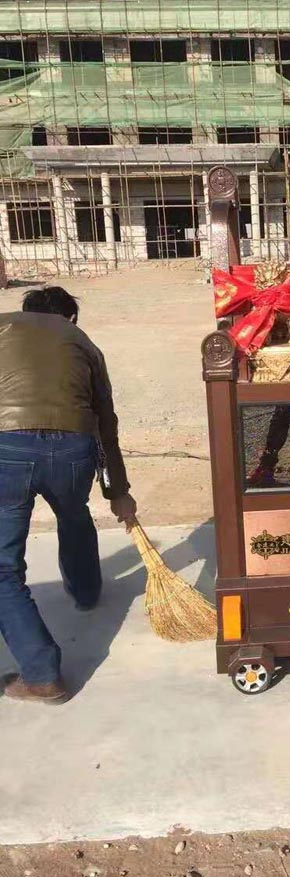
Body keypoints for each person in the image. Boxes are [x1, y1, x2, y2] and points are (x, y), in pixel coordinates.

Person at [0, 287, 137, 704]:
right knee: (74, 514)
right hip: (74, 451)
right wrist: (118, 491)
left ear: (26, 310)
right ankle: (86, 592)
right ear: (69, 317)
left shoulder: (3, 328)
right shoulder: (84, 343)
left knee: (3, 569)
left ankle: (42, 675)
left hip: (9, 449)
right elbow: (106, 423)